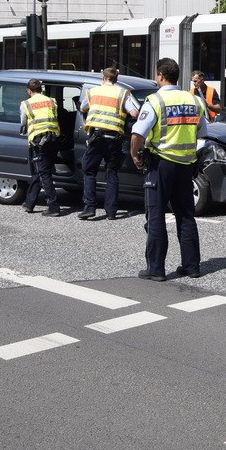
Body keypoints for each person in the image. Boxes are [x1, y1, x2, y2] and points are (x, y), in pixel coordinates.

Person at [131, 58, 207, 282]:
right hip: (186, 164)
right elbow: (202, 133)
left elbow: (138, 134)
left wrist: (134, 154)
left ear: (161, 76)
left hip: (160, 163)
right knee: (186, 215)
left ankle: (156, 269)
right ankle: (192, 266)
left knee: (156, 215)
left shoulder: (155, 100)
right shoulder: (193, 100)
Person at [78, 67, 140, 221]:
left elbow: (82, 107)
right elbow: (135, 113)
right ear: (116, 79)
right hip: (114, 140)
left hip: (97, 138)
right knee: (111, 174)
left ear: (103, 77)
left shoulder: (93, 92)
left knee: (89, 171)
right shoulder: (122, 93)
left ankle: (89, 208)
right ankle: (111, 212)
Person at [19, 79, 61, 217]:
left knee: (44, 174)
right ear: (41, 89)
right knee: (41, 171)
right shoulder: (52, 101)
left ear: (29, 91)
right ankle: (29, 203)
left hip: (39, 141)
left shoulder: (26, 104)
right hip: (54, 140)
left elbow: (23, 122)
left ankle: (54, 207)